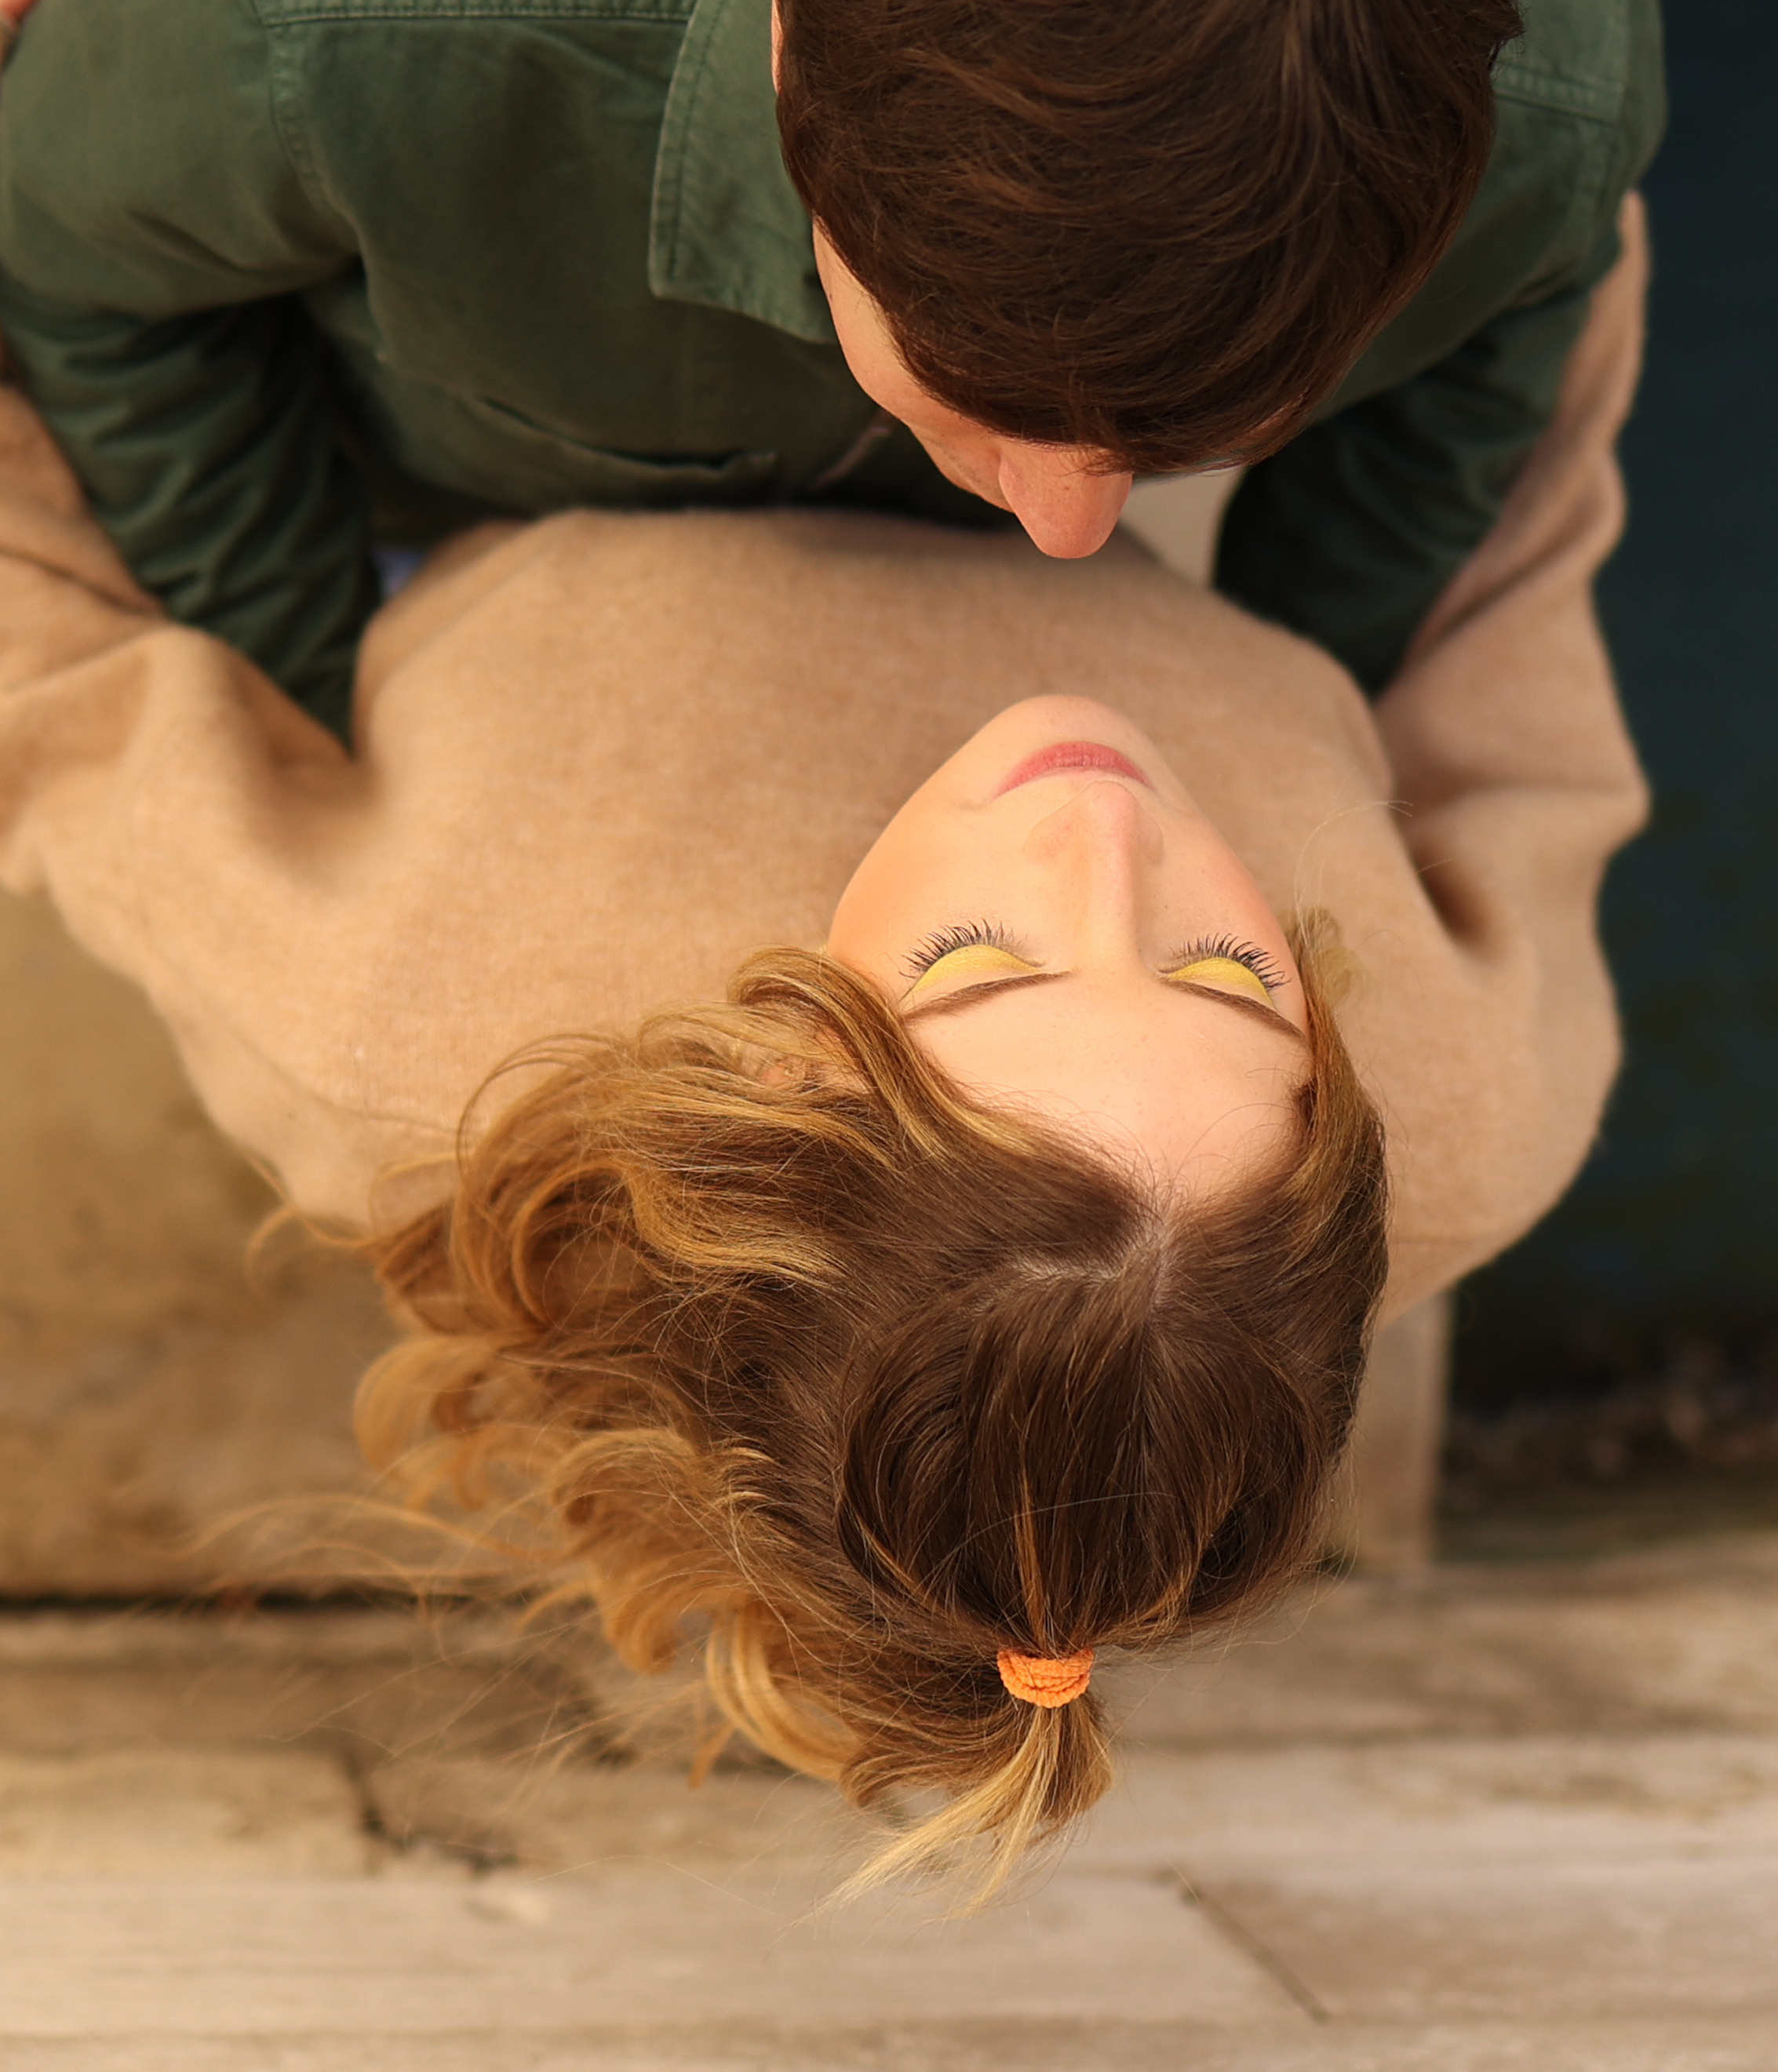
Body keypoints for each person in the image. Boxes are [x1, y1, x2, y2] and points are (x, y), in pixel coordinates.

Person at [0, 209, 1649, 1888]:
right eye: (1231, 972)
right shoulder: (1454, 1100)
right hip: (1051, 346)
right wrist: (1543, 192)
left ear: (791, 1075)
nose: (1105, 832)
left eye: (977, 961)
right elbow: (1499, 577)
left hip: (537, 405)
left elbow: (57, 675)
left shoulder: (409, 1018)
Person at [0, 0, 1661, 745]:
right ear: (790, 28)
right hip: (402, 510)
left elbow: (1470, 390)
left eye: (1185, 430)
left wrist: (1291, 702)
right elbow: (67, 261)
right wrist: (323, 701)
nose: (1070, 533)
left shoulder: (1557, 95)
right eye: (973, 388)